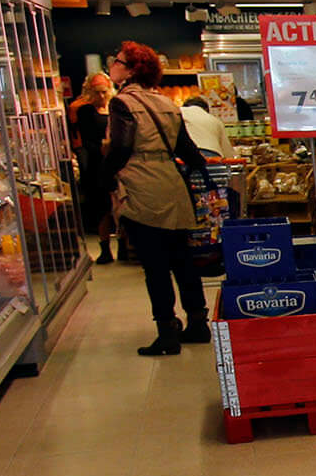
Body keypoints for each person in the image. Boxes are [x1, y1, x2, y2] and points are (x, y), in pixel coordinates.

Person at [98, 42, 213, 356]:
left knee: (155, 264)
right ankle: (198, 324)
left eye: (117, 61)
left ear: (132, 69)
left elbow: (121, 147)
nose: (113, 65)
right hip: (171, 184)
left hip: (141, 183)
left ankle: (166, 332)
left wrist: (105, 178)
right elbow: (187, 150)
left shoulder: (122, 103)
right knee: (182, 260)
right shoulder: (165, 102)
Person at [69, 72, 115, 263]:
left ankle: (123, 246)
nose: (101, 96)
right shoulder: (84, 111)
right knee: (102, 207)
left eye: (104, 92)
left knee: (119, 206)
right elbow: (85, 140)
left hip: (116, 162)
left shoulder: (115, 107)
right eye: (97, 93)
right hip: (97, 164)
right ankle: (105, 248)